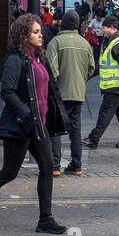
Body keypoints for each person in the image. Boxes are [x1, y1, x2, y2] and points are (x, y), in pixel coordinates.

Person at [0, 14, 67, 234]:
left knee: (47, 168)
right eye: (35, 32)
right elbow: (7, 92)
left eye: (40, 32)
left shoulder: (37, 58)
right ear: (23, 35)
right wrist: (27, 114)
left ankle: (45, 219)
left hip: (38, 125)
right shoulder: (15, 60)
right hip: (20, 126)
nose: (41, 36)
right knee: (9, 172)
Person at [45, 9, 94, 175]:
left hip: (60, 93)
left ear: (62, 23)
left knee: (55, 128)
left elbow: (52, 71)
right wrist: (80, 81)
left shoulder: (55, 43)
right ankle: (76, 165)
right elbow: (91, 68)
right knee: (75, 130)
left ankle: (54, 166)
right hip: (78, 93)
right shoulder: (85, 43)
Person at [83, 16, 119, 149]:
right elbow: (102, 65)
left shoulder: (118, 43)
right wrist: (87, 76)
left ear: (112, 28)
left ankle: (93, 139)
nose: (102, 30)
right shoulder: (109, 42)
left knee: (105, 113)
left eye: (104, 28)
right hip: (113, 86)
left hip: (115, 86)